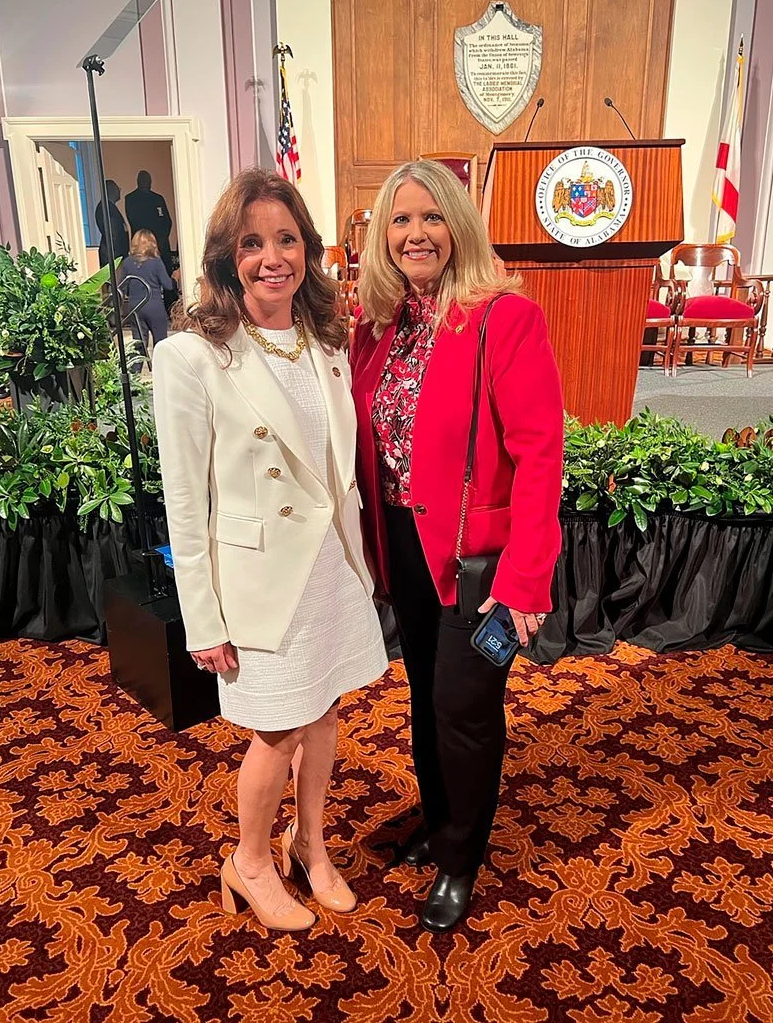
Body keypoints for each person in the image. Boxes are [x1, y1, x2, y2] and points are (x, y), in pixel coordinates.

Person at [152, 167, 387, 933]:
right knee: (276, 729)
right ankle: (249, 861)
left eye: (286, 239)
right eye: (252, 242)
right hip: (259, 581)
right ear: (227, 255)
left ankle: (310, 843)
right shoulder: (194, 356)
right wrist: (202, 618)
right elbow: (185, 500)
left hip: (328, 567)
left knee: (323, 715)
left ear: (308, 250)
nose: (272, 256)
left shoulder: (323, 338)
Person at [350, 160, 564, 932]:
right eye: (401, 220)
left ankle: (461, 858)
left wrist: (528, 577)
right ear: (384, 236)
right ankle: (440, 821)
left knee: (463, 708)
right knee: (422, 697)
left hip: (479, 556)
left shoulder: (504, 317)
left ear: (458, 227)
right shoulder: (376, 327)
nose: (416, 233)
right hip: (403, 542)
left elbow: (542, 450)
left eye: (432, 217)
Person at [117, 229, 176, 371]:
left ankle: (134, 376)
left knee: (139, 344)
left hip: (135, 307)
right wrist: (175, 278)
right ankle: (162, 372)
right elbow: (167, 285)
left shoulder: (127, 263)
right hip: (154, 305)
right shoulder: (156, 262)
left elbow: (121, 288)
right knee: (160, 343)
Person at [125, 170, 174, 273]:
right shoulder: (131, 199)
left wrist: (161, 239)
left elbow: (166, 221)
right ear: (138, 181)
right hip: (142, 246)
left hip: (160, 245)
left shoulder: (158, 199)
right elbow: (134, 222)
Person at [95, 179, 129, 266]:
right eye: (118, 188)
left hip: (117, 255)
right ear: (112, 190)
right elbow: (113, 232)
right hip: (113, 256)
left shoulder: (111, 207)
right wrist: (119, 255)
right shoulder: (106, 208)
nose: (119, 191)